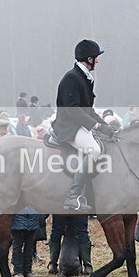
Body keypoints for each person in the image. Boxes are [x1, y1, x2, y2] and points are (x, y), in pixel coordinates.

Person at [51, 39, 116, 212]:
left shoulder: (85, 78)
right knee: (93, 150)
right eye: (96, 58)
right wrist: (97, 127)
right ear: (89, 59)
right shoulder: (71, 78)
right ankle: (73, 196)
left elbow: (89, 110)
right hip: (68, 127)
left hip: (79, 125)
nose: (98, 61)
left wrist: (106, 126)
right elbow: (73, 111)